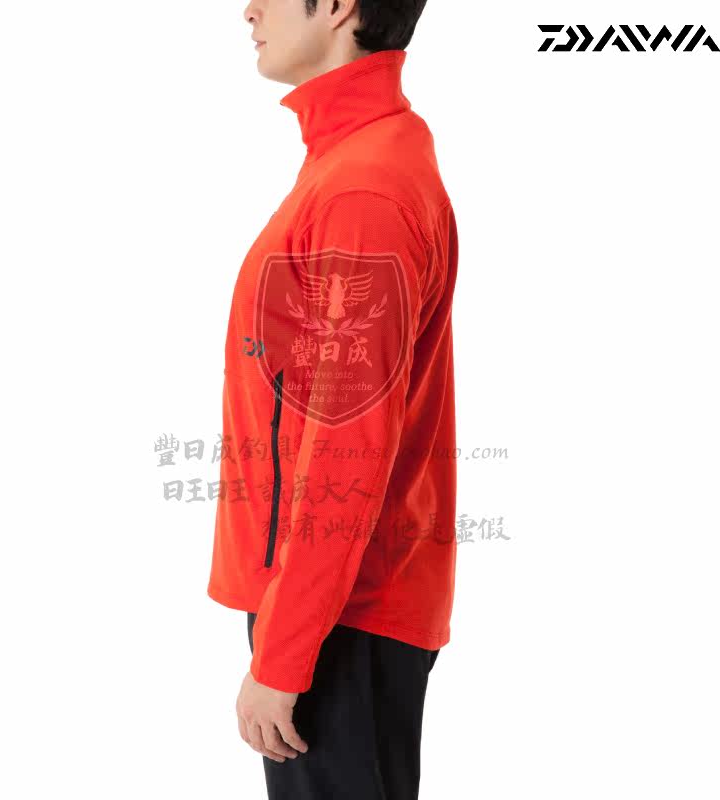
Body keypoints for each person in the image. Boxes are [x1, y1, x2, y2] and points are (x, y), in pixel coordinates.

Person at [207, 1, 459, 797]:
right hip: (327, 604)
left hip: (336, 615)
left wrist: (285, 656)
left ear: (343, 6)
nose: (249, 9)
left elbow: (348, 446)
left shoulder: (363, 186)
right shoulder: (354, 157)